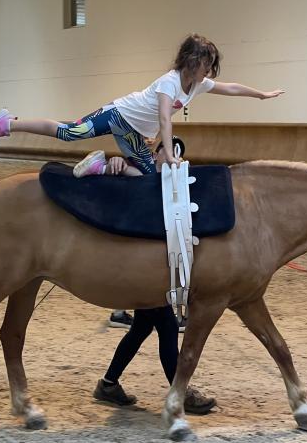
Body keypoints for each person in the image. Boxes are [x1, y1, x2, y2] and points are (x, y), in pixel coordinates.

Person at [0, 33, 284, 178]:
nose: (211, 70)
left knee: (149, 178)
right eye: (208, 63)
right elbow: (165, 119)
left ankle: (99, 167)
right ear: (193, 61)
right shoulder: (170, 82)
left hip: (133, 134)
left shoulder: (199, 85)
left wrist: (260, 95)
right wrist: (170, 155)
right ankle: (8, 123)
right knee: (71, 131)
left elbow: (229, 87)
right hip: (118, 115)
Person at [81, 137, 212, 413]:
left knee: (141, 328)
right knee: (165, 327)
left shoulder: (171, 182)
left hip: (152, 268)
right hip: (139, 268)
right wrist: (115, 165)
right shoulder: (136, 171)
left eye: (178, 152)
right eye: (169, 150)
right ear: (155, 153)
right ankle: (180, 392)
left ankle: (108, 384)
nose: (174, 156)